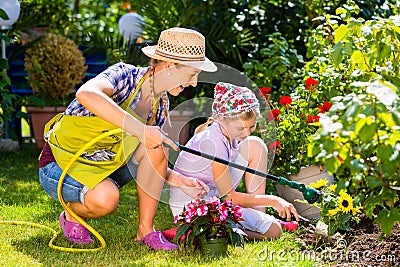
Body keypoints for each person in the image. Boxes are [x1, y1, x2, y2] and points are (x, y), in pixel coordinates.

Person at [38, 27, 215, 251]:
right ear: (170, 66)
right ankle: (72, 214)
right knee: (106, 200)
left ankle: (145, 231)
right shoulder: (125, 76)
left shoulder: (160, 107)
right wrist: (141, 130)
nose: (194, 83)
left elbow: (150, 157)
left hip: (103, 164)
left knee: (156, 144)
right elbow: (86, 94)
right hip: (61, 165)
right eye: (191, 74)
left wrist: (179, 180)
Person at [168, 82, 299, 240]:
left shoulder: (226, 133)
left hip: (212, 195)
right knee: (274, 231)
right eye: (241, 129)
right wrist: (274, 200)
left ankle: (259, 217)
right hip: (191, 207)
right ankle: (195, 232)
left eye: (251, 127)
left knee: (256, 145)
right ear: (223, 119)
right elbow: (230, 198)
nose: (246, 133)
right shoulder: (214, 142)